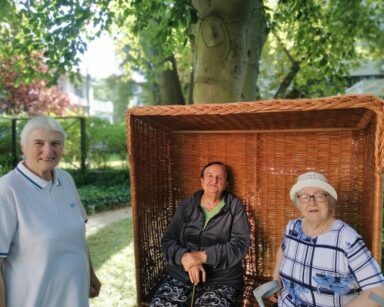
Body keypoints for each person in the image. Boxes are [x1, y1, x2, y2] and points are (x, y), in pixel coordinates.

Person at [0, 116, 101, 307]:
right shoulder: (6, 189)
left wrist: (90, 275)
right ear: (24, 147)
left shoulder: (66, 179)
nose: (48, 151)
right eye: (39, 143)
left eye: (55, 143)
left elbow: (78, 236)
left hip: (74, 296)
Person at [270, 171, 384, 307]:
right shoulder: (292, 227)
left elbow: (378, 292)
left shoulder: (347, 239)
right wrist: (276, 279)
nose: (312, 202)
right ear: (298, 203)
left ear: (329, 202)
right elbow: (282, 250)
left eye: (319, 196)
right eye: (305, 197)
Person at [150, 161, 250, 307]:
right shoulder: (187, 205)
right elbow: (168, 240)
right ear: (202, 180)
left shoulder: (235, 207)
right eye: (210, 175)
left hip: (222, 279)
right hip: (181, 275)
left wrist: (201, 256)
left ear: (226, 184)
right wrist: (185, 258)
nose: (214, 181)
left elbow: (240, 245)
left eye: (220, 178)